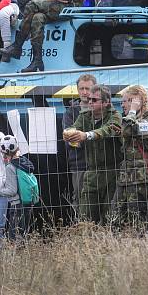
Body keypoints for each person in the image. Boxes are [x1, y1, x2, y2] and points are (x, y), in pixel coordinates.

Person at [63, 84, 123, 225]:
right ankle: (88, 245)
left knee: (110, 217)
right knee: (86, 217)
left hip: (112, 172)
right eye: (89, 99)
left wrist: (86, 135)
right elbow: (74, 128)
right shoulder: (85, 116)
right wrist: (69, 134)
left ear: (106, 102)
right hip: (91, 171)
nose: (90, 102)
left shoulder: (115, 116)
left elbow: (108, 130)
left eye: (94, 100)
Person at [111, 85, 148, 230]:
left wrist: (132, 110)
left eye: (126, 101)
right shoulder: (132, 120)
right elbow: (127, 129)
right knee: (115, 217)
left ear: (137, 101)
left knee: (138, 220)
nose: (123, 105)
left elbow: (128, 129)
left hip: (141, 178)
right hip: (126, 177)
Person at [61, 74, 96, 219]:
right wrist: (91, 136)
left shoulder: (102, 109)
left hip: (100, 164)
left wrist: (82, 136)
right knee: (81, 202)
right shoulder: (71, 112)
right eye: (81, 88)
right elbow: (70, 140)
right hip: (79, 165)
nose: (84, 92)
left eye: (88, 88)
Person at [0, 135, 34, 239]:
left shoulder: (10, 167)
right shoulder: (23, 162)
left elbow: (12, 191)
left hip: (17, 205)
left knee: (14, 237)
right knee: (23, 234)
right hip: (27, 203)